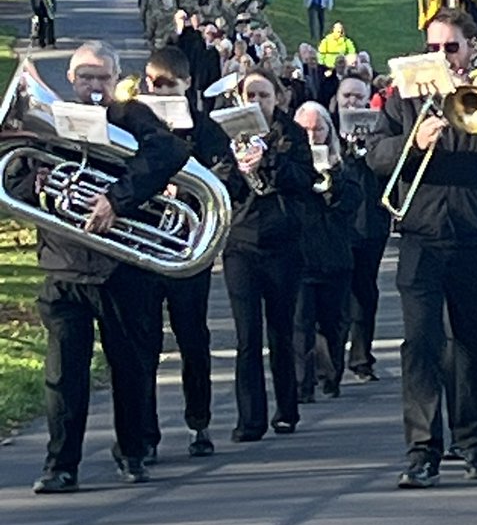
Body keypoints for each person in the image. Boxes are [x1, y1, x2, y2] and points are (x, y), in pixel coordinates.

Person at [368, 8, 477, 488]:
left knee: (474, 343)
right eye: (434, 48)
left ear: (470, 50)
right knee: (420, 345)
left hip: (476, 235)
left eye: (451, 48)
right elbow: (376, 157)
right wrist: (413, 141)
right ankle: (422, 450)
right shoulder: (402, 98)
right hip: (421, 235)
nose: (442, 56)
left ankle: (474, 441)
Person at [22, 42, 189, 492]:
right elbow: (15, 174)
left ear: (115, 81)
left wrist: (116, 198)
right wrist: (35, 181)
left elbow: (169, 154)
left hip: (122, 267)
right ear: (71, 80)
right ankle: (60, 465)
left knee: (131, 367)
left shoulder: (132, 117)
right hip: (64, 267)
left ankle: (132, 452)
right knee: (63, 376)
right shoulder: (47, 121)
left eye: (102, 78)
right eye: (85, 77)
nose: (94, 86)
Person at [142, 46, 236, 459]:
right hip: (142, 246)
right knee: (142, 344)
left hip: (187, 248)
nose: (159, 91)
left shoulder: (205, 129)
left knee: (193, 339)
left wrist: (189, 182)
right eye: (153, 84)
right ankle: (142, 433)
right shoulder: (134, 125)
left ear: (187, 85)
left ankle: (199, 422)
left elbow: (226, 179)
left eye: (168, 85)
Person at [221, 68, 315, 441]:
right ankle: (250, 419)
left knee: (282, 329)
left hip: (283, 242)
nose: (256, 102)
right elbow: (222, 185)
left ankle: (286, 409)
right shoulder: (229, 134)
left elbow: (303, 180)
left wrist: (268, 162)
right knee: (247, 336)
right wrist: (234, 168)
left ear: (278, 98)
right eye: (250, 95)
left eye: (263, 95)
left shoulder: (291, 134)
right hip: (241, 242)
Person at [293, 102, 361, 401]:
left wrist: (333, 179)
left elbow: (352, 202)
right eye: (305, 130)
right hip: (301, 255)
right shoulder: (290, 162)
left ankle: (331, 376)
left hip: (335, 254)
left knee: (334, 321)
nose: (312, 136)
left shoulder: (343, 162)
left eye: (318, 129)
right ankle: (302, 384)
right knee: (301, 324)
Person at [335, 75, 392, 382]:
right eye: (347, 96)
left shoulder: (379, 129)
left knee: (364, 290)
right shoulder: (325, 126)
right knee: (334, 292)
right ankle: (329, 359)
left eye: (358, 97)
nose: (352, 102)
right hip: (336, 225)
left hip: (370, 221)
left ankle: (361, 358)